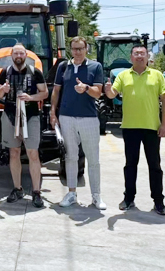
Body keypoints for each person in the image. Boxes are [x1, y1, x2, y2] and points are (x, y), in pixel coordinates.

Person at [105, 44, 165, 216]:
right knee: (130, 165)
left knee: (154, 166)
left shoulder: (157, 76)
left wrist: (164, 125)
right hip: (130, 127)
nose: (139, 56)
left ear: (148, 57)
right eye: (136, 53)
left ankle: (158, 201)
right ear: (131, 57)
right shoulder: (123, 75)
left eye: (142, 53)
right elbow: (112, 94)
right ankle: (128, 198)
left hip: (152, 128)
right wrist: (108, 90)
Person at [50, 37, 106, 210]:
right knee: (71, 157)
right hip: (66, 117)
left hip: (88, 118)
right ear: (70, 50)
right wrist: (53, 112)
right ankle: (72, 193)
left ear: (86, 49)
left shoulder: (95, 67)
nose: (77, 52)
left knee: (93, 159)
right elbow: (56, 90)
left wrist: (86, 88)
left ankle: (96, 196)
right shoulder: (63, 67)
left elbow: (98, 93)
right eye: (74, 49)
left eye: (80, 49)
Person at [0, 43, 48, 208]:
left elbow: (44, 93)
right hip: (10, 115)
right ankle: (17, 188)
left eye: (21, 53)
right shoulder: (5, 72)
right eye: (16, 53)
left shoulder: (35, 72)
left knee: (33, 153)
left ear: (26, 55)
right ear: (11, 55)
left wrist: (30, 98)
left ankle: (36, 191)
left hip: (31, 116)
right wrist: (3, 89)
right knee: (14, 152)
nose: (18, 56)